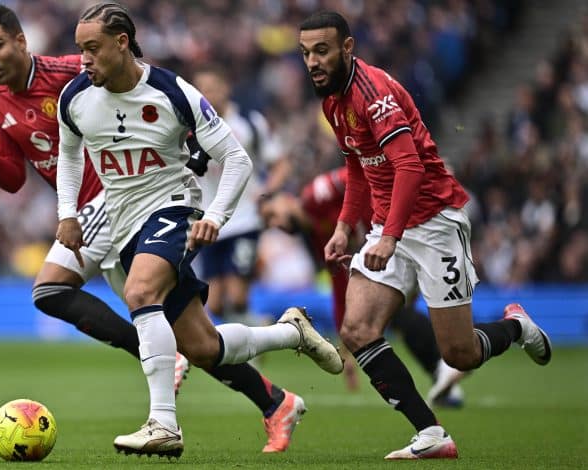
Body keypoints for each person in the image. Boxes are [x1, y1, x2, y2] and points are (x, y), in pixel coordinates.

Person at [0, 2, 319, 455]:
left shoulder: (74, 71)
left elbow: (147, 91)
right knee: (194, 339)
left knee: (53, 291)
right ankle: (275, 399)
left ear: (20, 41)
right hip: (90, 213)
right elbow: (14, 177)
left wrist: (191, 148)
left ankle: (163, 406)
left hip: (115, 201)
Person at [56, 2, 343, 458]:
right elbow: (69, 156)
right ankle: (293, 333)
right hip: (122, 221)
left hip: (172, 209)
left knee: (139, 293)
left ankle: (163, 425)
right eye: (79, 49)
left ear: (122, 43)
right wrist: (67, 212)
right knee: (203, 346)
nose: (83, 59)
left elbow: (238, 159)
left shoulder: (173, 92)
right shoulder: (75, 99)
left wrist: (215, 217)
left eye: (92, 48)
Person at [300, 11, 552, 459]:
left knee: (460, 354)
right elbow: (357, 167)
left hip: (434, 222)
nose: (313, 62)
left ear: (348, 47)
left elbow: (410, 167)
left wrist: (390, 238)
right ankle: (431, 433)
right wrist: (343, 227)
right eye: (305, 53)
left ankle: (516, 327)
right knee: (357, 329)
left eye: (321, 50)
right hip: (387, 226)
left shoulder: (373, 96)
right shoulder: (332, 102)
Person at [259, 168, 466, 406]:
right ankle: (445, 374)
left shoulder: (315, 194)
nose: (275, 224)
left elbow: (356, 176)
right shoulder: (317, 237)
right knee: (397, 313)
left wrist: (378, 216)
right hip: (386, 244)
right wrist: (344, 346)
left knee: (403, 310)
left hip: (398, 228)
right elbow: (339, 290)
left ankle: (457, 358)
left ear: (286, 199)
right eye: (269, 223)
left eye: (272, 214)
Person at [190, 66, 288, 327]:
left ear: (226, 88)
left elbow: (280, 163)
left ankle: (251, 348)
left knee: (236, 294)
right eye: (202, 90)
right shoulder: (192, 128)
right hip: (210, 223)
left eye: (212, 88)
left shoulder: (249, 122)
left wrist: (266, 194)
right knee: (216, 304)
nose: (207, 95)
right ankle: (260, 328)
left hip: (245, 220)